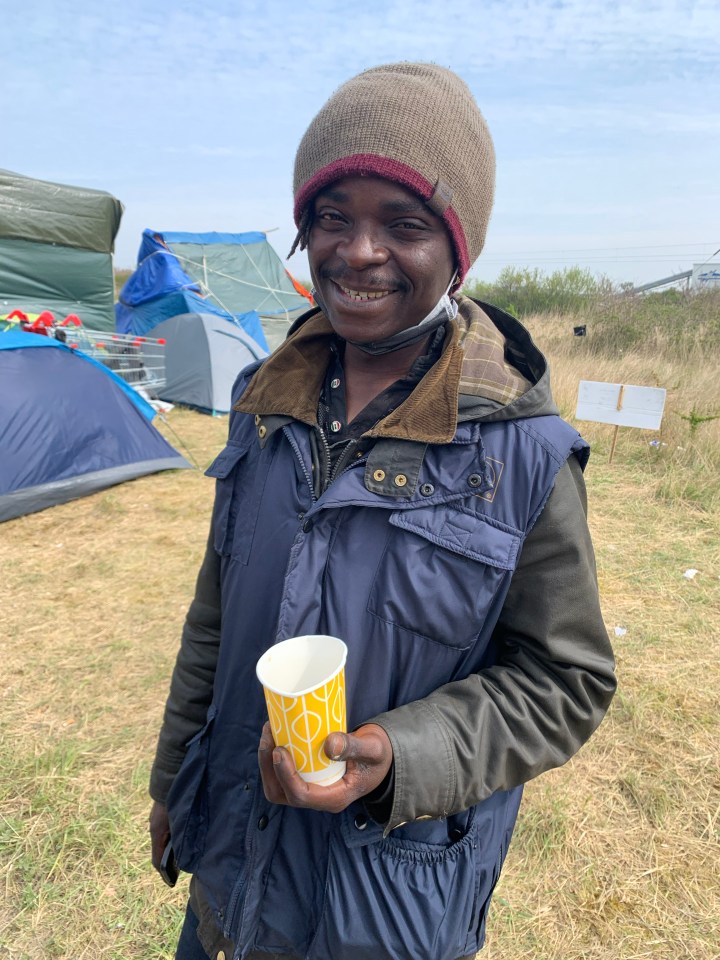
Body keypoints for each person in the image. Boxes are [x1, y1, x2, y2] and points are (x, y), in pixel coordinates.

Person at [148, 62, 616, 960]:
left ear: (457, 249)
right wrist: (174, 782)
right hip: (227, 879)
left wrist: (403, 754)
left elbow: (567, 681)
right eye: (333, 217)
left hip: (382, 913)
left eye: (403, 224)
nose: (359, 252)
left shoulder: (523, 451)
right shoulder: (262, 402)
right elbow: (214, 619)